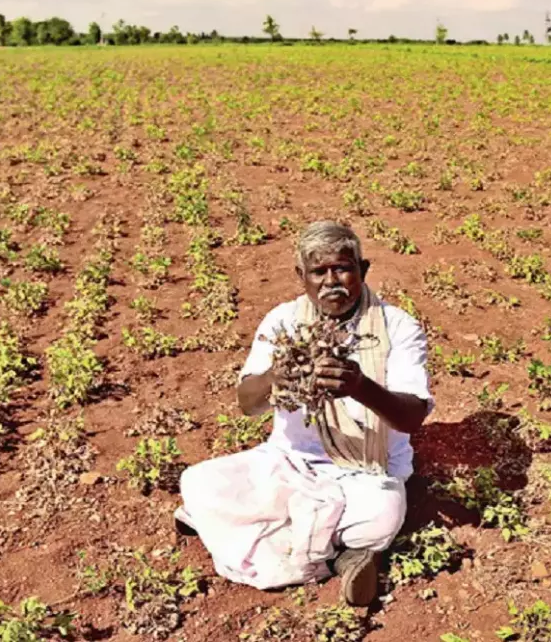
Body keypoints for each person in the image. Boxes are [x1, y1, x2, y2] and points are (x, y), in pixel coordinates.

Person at [175, 220, 433, 606]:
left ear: (362, 270)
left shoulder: (397, 326)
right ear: (302, 277)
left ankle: (282, 537)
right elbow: (247, 403)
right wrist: (276, 375)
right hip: (289, 462)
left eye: (343, 268)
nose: (332, 281)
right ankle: (344, 556)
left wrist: (361, 387)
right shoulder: (283, 322)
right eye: (319, 271)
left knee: (382, 513)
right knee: (199, 481)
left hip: (365, 471)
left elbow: (412, 418)